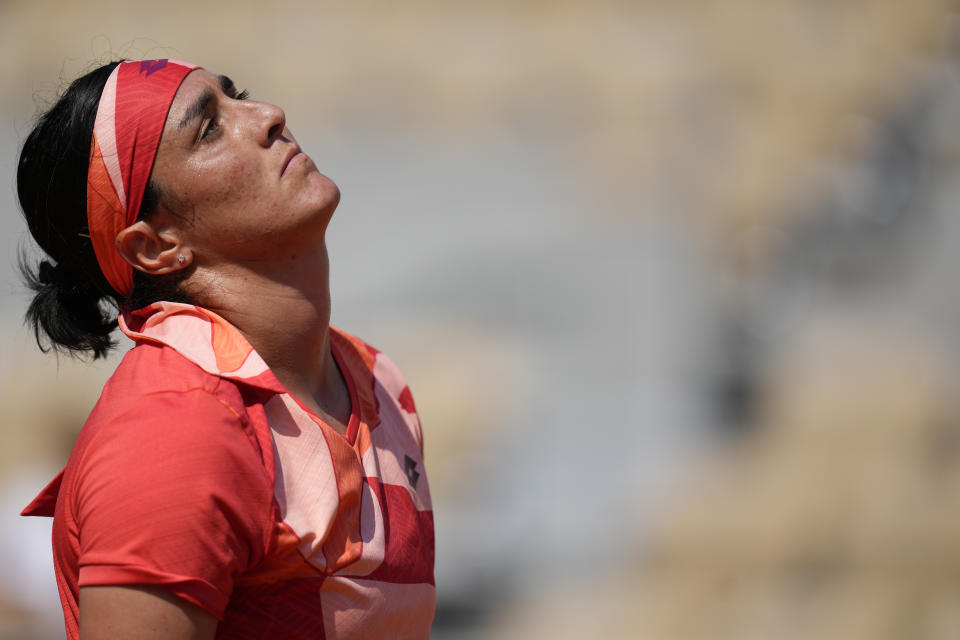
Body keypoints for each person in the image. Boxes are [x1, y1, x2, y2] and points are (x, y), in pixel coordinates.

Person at [16, 59, 435, 639]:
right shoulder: (175, 435)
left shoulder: (375, 380)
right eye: (208, 128)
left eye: (237, 96)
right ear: (157, 246)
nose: (268, 116)